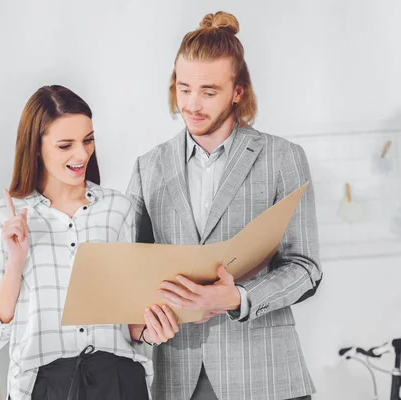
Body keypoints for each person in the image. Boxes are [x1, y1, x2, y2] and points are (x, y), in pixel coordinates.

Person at [126, 11, 323, 400]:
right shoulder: (148, 167)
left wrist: (238, 298)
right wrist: (143, 324)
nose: (193, 104)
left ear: (238, 91)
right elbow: (131, 269)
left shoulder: (282, 158)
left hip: (265, 372)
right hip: (178, 374)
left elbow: (306, 267)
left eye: (209, 91)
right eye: (184, 89)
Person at [0, 85, 178, 400]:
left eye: (88, 140)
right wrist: (15, 263)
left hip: (120, 379)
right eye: (65, 145)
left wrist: (154, 331)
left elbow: (130, 324)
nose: (82, 154)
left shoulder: (119, 209)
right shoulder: (1, 218)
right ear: (35, 148)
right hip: (44, 386)